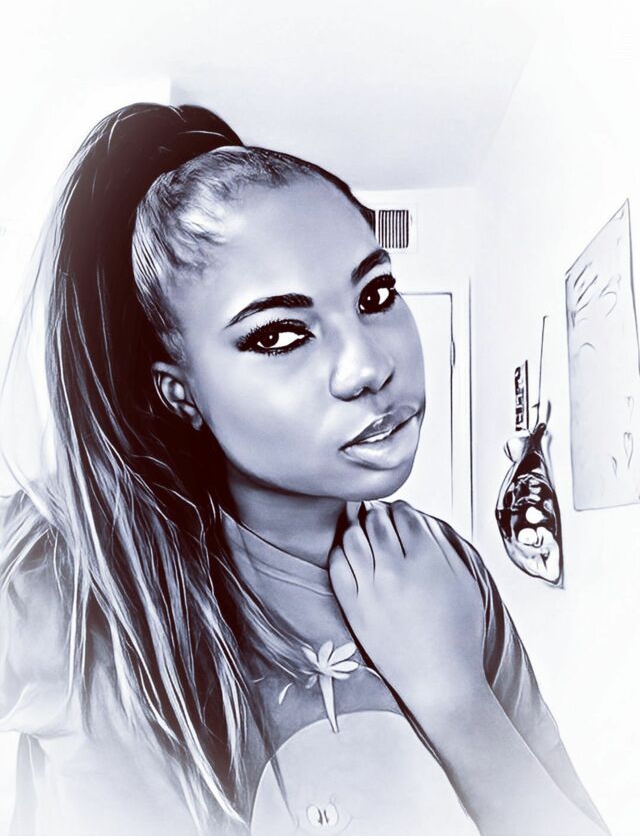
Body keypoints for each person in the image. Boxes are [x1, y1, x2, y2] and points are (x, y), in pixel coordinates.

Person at [0, 103, 608, 836]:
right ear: (179, 392)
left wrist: (456, 700)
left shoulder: (444, 567)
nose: (368, 365)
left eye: (375, 296)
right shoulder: (64, 577)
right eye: (280, 334)